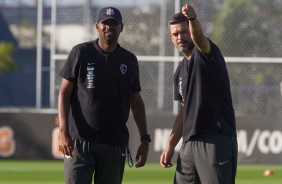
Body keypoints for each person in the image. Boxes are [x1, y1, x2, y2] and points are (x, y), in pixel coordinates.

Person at [58, 7, 151, 184]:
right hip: (80, 141)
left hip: (114, 144)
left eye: (114, 24)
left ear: (121, 27)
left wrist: (145, 139)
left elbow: (136, 102)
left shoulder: (129, 60)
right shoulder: (81, 52)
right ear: (97, 27)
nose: (110, 27)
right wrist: (63, 130)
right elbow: (64, 92)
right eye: (105, 23)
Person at [160, 3, 238, 184]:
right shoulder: (179, 71)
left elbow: (200, 38)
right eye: (175, 34)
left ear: (192, 31)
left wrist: (192, 19)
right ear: (170, 38)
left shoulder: (205, 53)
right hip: (188, 144)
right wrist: (171, 144)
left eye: (184, 32)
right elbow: (183, 110)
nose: (180, 37)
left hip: (214, 139)